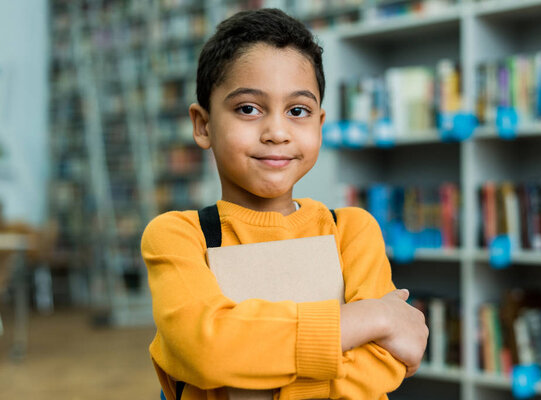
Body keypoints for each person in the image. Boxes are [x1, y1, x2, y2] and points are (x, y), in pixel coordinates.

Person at [141, 8, 428, 400]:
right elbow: (208, 349)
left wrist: (251, 377)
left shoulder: (352, 231)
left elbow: (385, 363)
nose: (277, 132)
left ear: (320, 124)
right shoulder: (178, 236)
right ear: (203, 125)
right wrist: (373, 316)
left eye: (298, 111)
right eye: (248, 109)